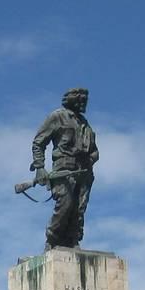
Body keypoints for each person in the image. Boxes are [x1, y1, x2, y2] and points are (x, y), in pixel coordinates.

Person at [29, 87, 98, 250]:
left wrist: (92, 158)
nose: (83, 105)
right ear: (72, 100)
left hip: (84, 171)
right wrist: (40, 167)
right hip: (64, 169)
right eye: (81, 101)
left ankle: (73, 240)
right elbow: (38, 143)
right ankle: (53, 239)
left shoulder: (85, 125)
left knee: (79, 208)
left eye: (85, 102)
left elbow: (94, 150)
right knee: (65, 204)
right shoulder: (58, 116)